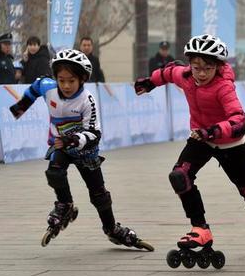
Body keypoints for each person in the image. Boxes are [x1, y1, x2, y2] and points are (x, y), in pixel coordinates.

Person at [134, 34, 245, 259]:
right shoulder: (186, 76)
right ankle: (200, 229)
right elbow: (169, 71)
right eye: (196, 67)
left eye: (207, 68)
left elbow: (240, 120)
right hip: (201, 139)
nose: (201, 73)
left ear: (218, 66)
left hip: (230, 144)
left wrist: (214, 131)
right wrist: (150, 82)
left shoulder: (223, 87)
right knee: (179, 176)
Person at [8, 49, 153, 250]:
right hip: (61, 146)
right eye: (61, 80)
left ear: (82, 79)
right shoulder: (48, 87)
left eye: (71, 81)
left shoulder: (87, 100)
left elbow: (94, 133)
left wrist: (72, 140)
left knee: (99, 196)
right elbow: (36, 85)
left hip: (85, 151)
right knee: (54, 172)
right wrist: (21, 107)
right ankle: (65, 205)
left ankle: (111, 229)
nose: (66, 85)